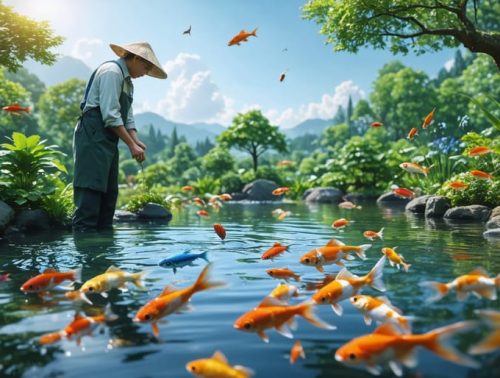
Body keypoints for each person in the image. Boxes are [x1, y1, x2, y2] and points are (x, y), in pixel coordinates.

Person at [72, 42, 167, 230]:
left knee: (109, 195)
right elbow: (110, 115)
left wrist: (136, 140)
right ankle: (84, 250)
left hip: (108, 141)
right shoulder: (112, 72)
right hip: (92, 136)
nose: (145, 73)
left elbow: (128, 117)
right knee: (90, 194)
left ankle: (104, 252)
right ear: (136, 58)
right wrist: (131, 145)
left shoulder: (128, 83)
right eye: (145, 67)